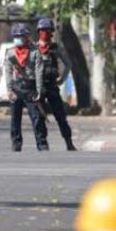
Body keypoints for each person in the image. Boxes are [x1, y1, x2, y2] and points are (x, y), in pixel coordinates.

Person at [35, 17, 76, 151]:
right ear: (39, 32)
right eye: (42, 30)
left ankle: (69, 143)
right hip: (38, 88)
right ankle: (42, 145)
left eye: (47, 31)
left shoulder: (55, 48)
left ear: (52, 32)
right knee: (39, 118)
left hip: (52, 86)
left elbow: (68, 64)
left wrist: (62, 79)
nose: (45, 33)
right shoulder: (34, 49)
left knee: (61, 116)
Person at [6, 23, 48, 152]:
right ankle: (16, 144)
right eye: (16, 36)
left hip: (31, 89)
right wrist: (9, 90)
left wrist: (39, 91)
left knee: (37, 118)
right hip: (17, 88)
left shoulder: (35, 52)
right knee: (15, 119)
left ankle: (42, 144)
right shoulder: (10, 52)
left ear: (26, 37)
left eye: (21, 36)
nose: (18, 38)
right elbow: (7, 71)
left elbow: (39, 72)